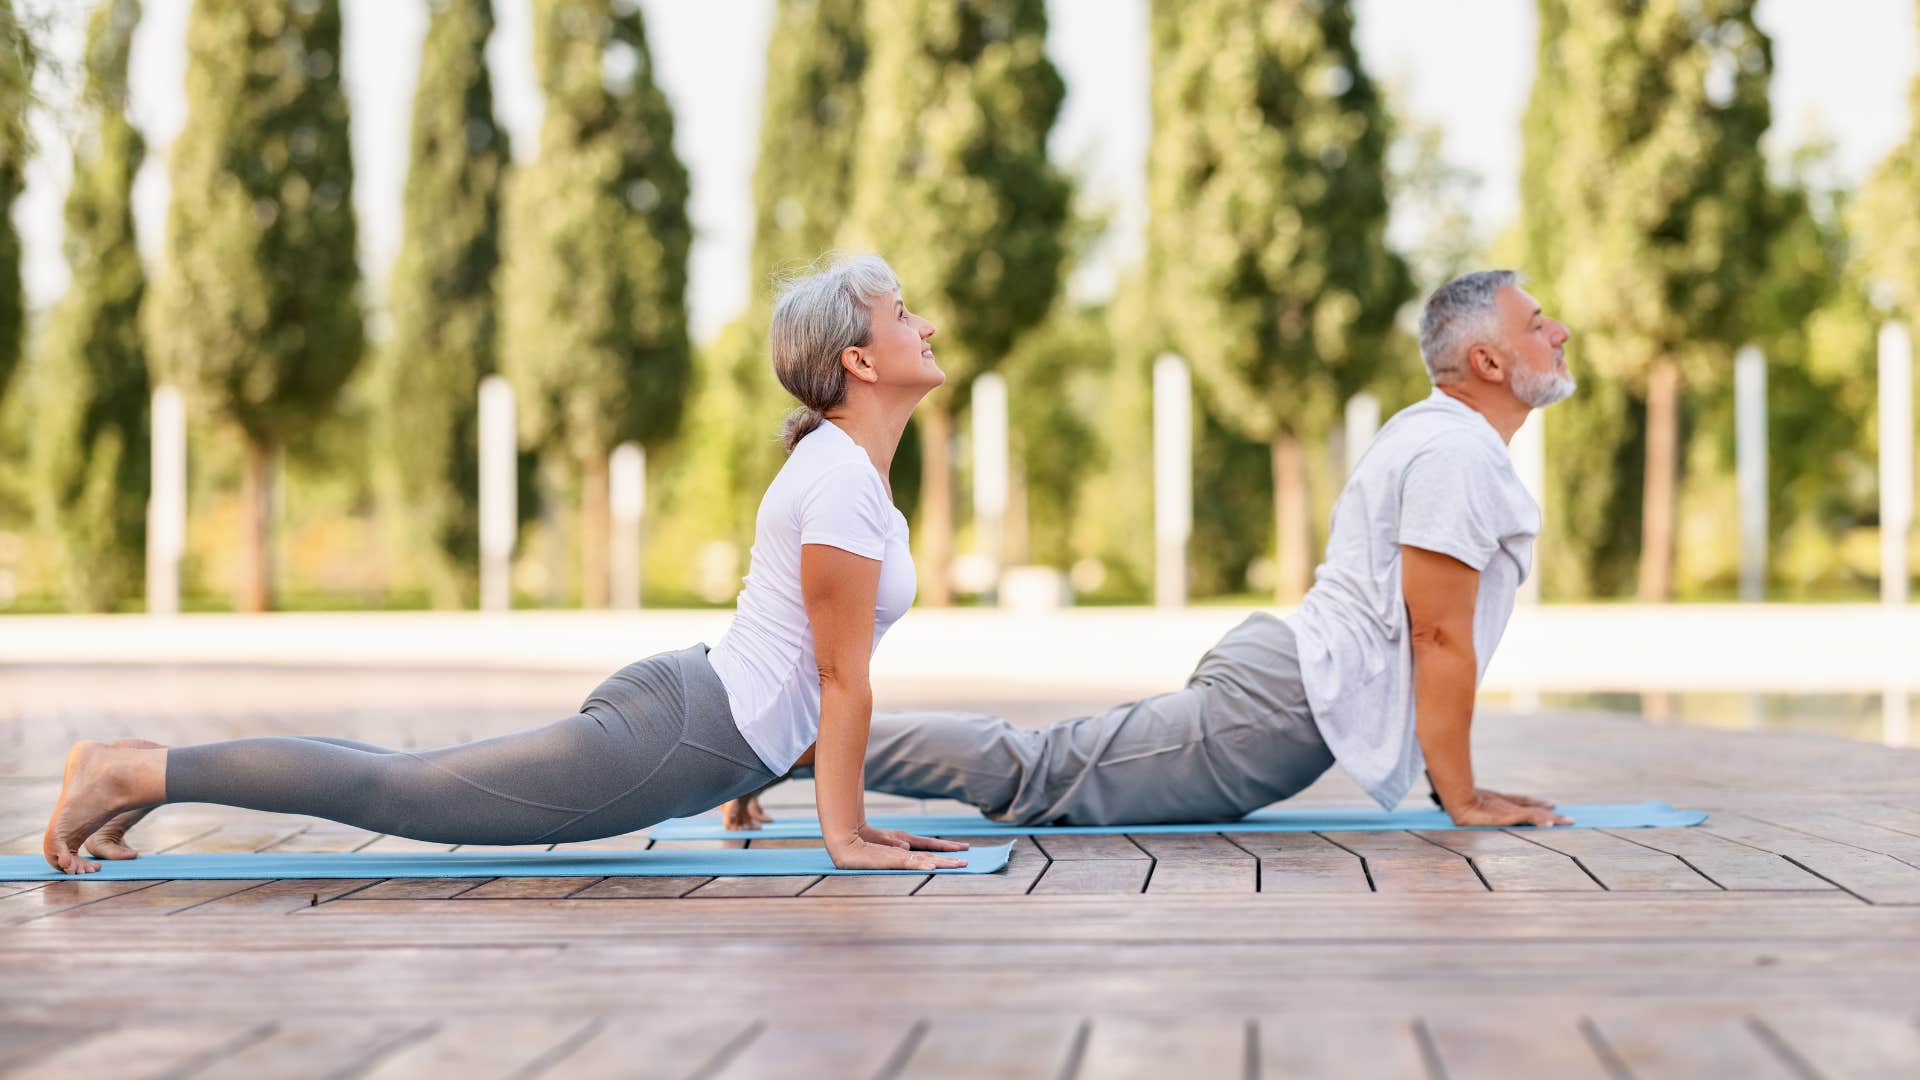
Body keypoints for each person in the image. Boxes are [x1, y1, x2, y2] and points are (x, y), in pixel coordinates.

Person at [41, 254, 969, 875]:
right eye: (902, 315)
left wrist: (780, 795)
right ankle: (130, 775)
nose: (923, 323)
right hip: (683, 735)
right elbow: (840, 676)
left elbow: (805, 666)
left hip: (699, 726)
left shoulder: (846, 472)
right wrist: (844, 837)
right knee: (400, 793)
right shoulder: (841, 479)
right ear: (859, 361)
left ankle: (139, 767)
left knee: (403, 775)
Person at [723, 269, 1577, 832]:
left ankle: (804, 750)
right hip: (1274, 714)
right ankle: (798, 749)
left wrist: (1453, 787)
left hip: (1281, 698)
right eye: (1539, 325)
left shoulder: (1445, 440)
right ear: (1486, 360)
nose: (1561, 332)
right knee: (1038, 771)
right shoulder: (1455, 454)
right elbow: (1436, 635)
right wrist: (1462, 797)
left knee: (1042, 764)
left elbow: (1428, 633)